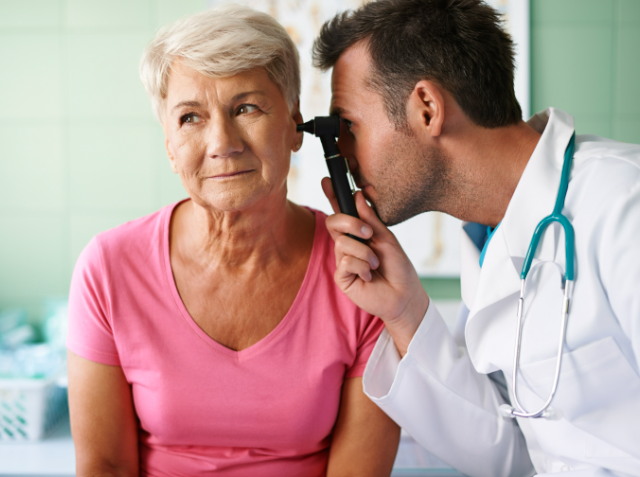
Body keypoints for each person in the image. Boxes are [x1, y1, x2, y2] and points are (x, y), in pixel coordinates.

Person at [66, 5, 400, 476]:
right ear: (169, 145)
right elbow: (105, 466)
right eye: (190, 118)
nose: (222, 142)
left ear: (294, 124)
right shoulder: (108, 268)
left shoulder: (361, 275)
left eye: (246, 107)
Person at [311, 0, 640, 476]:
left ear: (427, 109)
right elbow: (509, 452)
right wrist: (405, 312)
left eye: (349, 128)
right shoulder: (491, 243)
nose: (342, 156)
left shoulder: (623, 202)